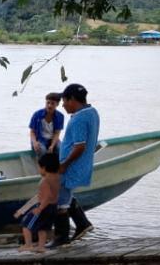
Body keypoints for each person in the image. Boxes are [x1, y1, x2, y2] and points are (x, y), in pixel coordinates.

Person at [54, 82, 99, 244]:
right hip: (81, 165)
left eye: (64, 101)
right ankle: (82, 224)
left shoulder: (79, 119)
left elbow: (80, 146)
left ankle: (61, 239)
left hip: (72, 166)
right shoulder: (92, 112)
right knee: (66, 196)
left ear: (72, 99)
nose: (63, 105)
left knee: (61, 203)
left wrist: (64, 164)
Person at [14, 151, 61, 251]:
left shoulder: (45, 181)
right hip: (53, 207)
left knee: (26, 224)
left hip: (44, 207)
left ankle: (28, 245)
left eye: (39, 167)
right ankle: (41, 247)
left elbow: (46, 197)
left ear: (44, 168)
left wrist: (39, 208)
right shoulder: (57, 177)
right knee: (42, 228)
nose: (39, 170)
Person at [29, 92, 65, 156]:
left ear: (57, 104)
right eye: (48, 102)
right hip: (39, 139)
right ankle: (42, 165)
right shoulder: (37, 114)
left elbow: (57, 133)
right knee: (43, 151)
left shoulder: (60, 116)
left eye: (52, 103)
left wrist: (52, 145)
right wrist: (34, 143)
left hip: (52, 139)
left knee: (61, 149)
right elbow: (32, 132)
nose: (49, 105)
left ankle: (59, 165)